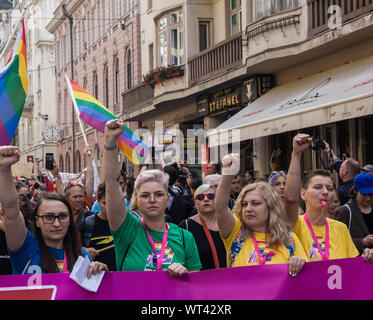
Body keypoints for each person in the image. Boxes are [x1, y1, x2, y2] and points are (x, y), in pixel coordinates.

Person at [103, 119, 201, 277]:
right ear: (137, 200)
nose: (152, 199)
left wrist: (185, 274)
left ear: (168, 199)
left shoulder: (185, 237)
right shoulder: (127, 229)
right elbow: (111, 183)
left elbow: (195, 282)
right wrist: (110, 142)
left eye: (159, 194)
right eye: (145, 195)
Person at [0, 145, 108, 276]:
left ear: (69, 220)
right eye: (49, 217)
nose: (57, 223)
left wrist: (100, 274)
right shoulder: (25, 247)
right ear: (37, 221)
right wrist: (4, 169)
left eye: (62, 216)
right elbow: (11, 210)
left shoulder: (82, 256)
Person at [215, 153, 308, 276]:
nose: (248, 209)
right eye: (244, 204)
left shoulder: (289, 239)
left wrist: (299, 263)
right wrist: (228, 171)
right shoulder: (236, 231)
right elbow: (220, 209)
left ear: (270, 207)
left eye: (255, 203)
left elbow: (306, 275)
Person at [285, 133, 373, 262]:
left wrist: (367, 257)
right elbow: (290, 200)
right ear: (303, 194)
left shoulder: (341, 229)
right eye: (318, 187)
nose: (325, 192)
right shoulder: (296, 224)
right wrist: (296, 155)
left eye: (330, 188)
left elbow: (351, 267)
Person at [179, 184, 226, 270]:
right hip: (200, 280)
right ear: (195, 202)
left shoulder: (228, 223)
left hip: (230, 279)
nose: (206, 199)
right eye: (200, 197)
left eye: (211, 196)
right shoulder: (186, 226)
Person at [79, 182, 116, 271]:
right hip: (95, 276)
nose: (109, 207)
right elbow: (70, 248)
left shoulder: (126, 224)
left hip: (119, 277)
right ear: (98, 202)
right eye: (104, 203)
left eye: (112, 203)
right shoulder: (88, 223)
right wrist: (84, 250)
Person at [334, 173, 373, 254]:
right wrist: (362, 242)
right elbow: (337, 241)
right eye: (364, 194)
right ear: (355, 191)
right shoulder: (344, 212)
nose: (368, 198)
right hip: (357, 262)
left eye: (371, 194)